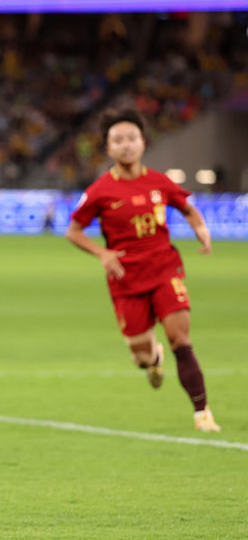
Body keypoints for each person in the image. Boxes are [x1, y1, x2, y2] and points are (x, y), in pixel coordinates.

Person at [66, 108, 220, 432]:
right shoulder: (99, 191)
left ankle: (202, 412)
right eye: (117, 140)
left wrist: (201, 228)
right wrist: (102, 254)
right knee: (141, 358)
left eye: (131, 138)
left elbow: (188, 208)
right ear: (108, 148)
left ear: (143, 143)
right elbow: (74, 231)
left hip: (165, 268)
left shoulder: (159, 182)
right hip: (125, 279)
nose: (126, 145)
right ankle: (154, 359)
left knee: (181, 339)